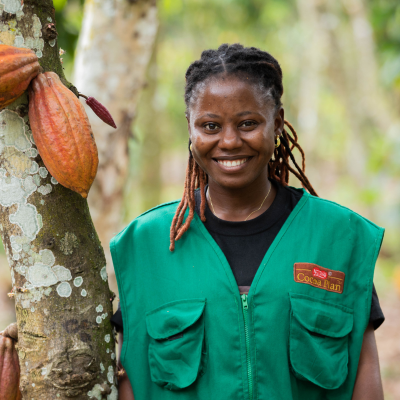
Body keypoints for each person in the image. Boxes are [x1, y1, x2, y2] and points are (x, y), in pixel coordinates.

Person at [111, 44, 385, 400]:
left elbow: (365, 372)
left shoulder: (341, 238)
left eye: (248, 124)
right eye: (210, 125)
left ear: (277, 122)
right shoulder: (144, 245)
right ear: (191, 130)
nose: (229, 141)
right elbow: (129, 381)